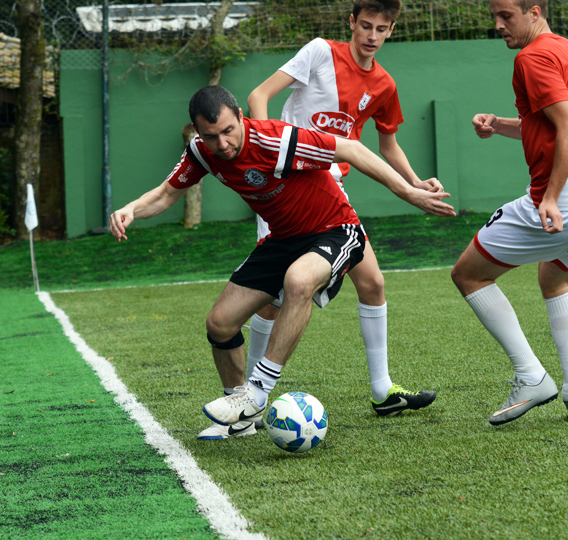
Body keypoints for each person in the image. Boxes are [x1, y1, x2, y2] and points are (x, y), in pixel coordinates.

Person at [109, 86, 455, 439]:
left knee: (299, 281)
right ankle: (241, 418)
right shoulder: (202, 152)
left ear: (241, 116)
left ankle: (256, 393)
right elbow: (167, 193)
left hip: (334, 230)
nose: (223, 144)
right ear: (199, 133)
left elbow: (349, 148)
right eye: (211, 136)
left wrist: (408, 191)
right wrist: (131, 210)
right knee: (220, 324)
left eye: (229, 131)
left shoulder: (276, 140)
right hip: (283, 238)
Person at [240, 0, 441, 439]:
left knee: (372, 282)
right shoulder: (318, 52)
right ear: (351, 23)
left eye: (381, 29)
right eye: (365, 25)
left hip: (332, 194)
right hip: (287, 190)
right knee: (271, 300)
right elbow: (259, 96)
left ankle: (383, 390)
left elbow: (388, 146)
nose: (371, 35)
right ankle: (247, 402)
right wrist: (271, 156)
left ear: (390, 32)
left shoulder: (385, 85)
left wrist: (415, 182)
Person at [450, 0, 568, 425]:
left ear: (535, 11)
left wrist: (549, 197)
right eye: (495, 16)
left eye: (506, 15)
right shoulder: (565, 48)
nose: (498, 25)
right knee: (554, 277)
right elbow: (552, 120)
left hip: (566, 202)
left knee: (468, 274)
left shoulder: (531, 56)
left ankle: (531, 376)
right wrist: (500, 124)